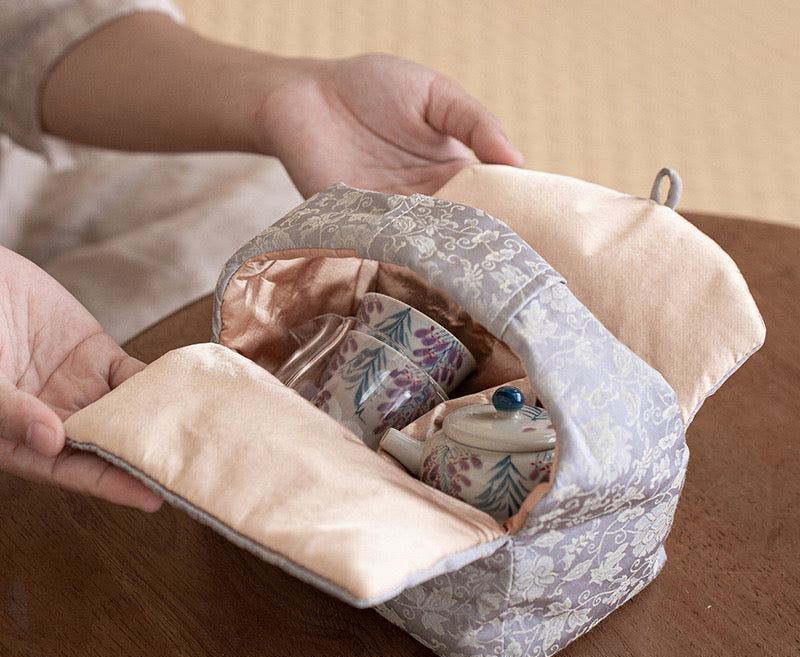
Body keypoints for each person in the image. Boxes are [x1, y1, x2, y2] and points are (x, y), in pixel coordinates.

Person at [0, 0, 523, 511]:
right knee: (154, 388)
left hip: (29, 162)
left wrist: (288, 97)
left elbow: (32, 22)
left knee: (300, 214)